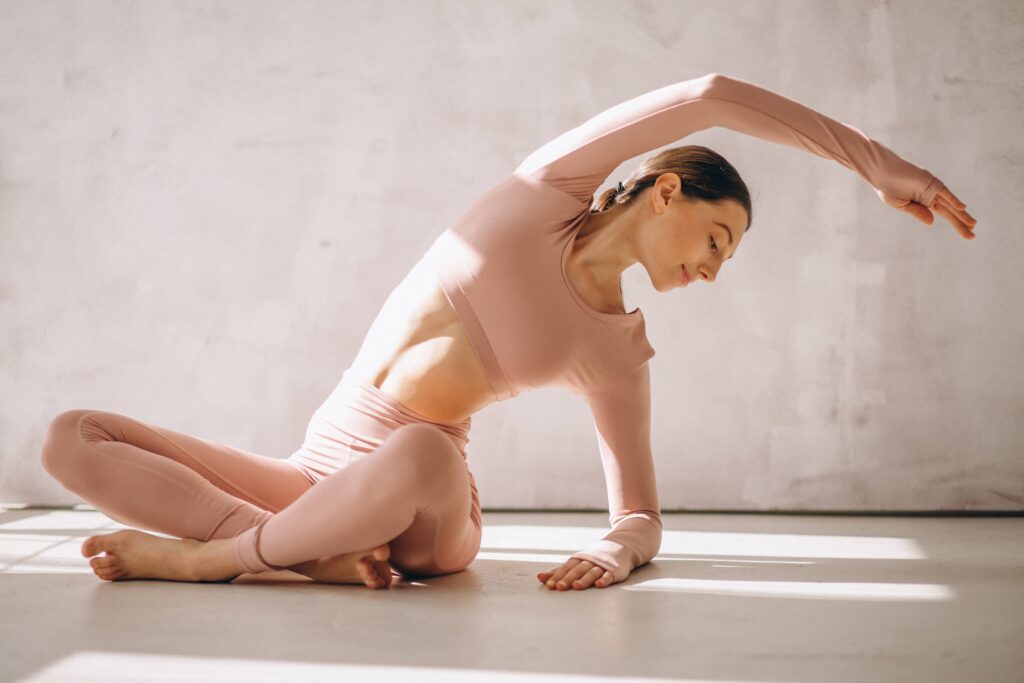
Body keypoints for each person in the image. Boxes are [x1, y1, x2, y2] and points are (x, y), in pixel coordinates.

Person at [39, 72, 976, 591]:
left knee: (418, 449)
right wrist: (877, 164)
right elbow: (712, 94)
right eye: (718, 236)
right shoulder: (545, 191)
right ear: (664, 192)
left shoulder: (617, 348)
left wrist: (613, 551)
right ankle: (310, 553)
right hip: (317, 472)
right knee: (70, 436)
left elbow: (638, 514)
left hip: (426, 510)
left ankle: (218, 560)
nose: (714, 268)